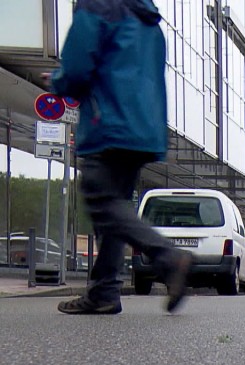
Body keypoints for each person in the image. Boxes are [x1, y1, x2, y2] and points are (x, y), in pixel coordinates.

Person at [47, 0, 190, 315]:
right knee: (115, 211)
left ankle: (167, 256)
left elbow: (77, 67)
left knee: (100, 199)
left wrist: (56, 81)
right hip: (143, 125)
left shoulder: (97, 4)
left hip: (109, 121)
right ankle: (105, 292)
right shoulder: (147, 17)